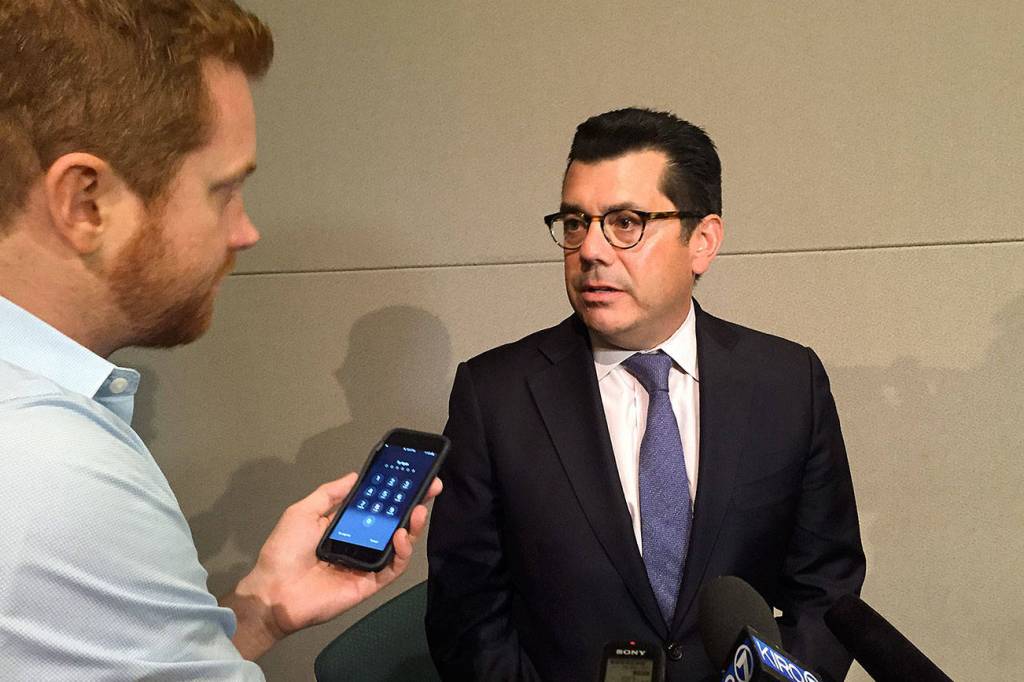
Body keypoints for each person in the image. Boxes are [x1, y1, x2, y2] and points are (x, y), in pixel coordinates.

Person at [0, 2, 439, 679]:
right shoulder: (64, 474)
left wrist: (260, 611)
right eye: (223, 190)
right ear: (85, 202)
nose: (244, 231)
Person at [426, 108, 865, 682]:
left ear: (702, 242)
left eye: (626, 222)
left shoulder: (787, 384)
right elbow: (468, 617)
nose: (591, 251)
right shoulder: (495, 396)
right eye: (576, 222)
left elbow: (826, 589)